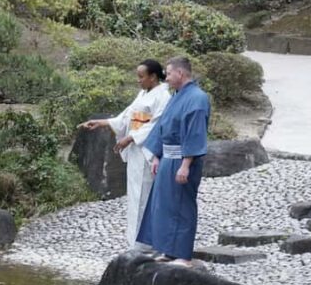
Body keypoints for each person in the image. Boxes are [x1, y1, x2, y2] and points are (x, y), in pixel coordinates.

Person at [78, 60, 171, 248]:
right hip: (137, 151)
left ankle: (144, 244)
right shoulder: (143, 94)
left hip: (147, 151)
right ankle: (133, 241)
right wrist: (101, 122)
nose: (138, 81)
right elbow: (127, 116)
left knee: (144, 195)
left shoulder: (163, 96)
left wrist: (130, 138)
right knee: (135, 196)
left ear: (153, 77)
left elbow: (156, 125)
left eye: (141, 77)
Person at [136, 56, 211, 267]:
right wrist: (156, 156)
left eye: (168, 74)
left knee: (182, 206)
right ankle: (168, 250)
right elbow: (162, 127)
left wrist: (186, 165)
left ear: (180, 73)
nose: (166, 78)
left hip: (182, 159)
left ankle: (183, 255)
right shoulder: (177, 96)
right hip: (167, 157)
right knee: (164, 205)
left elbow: (194, 134)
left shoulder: (197, 99)